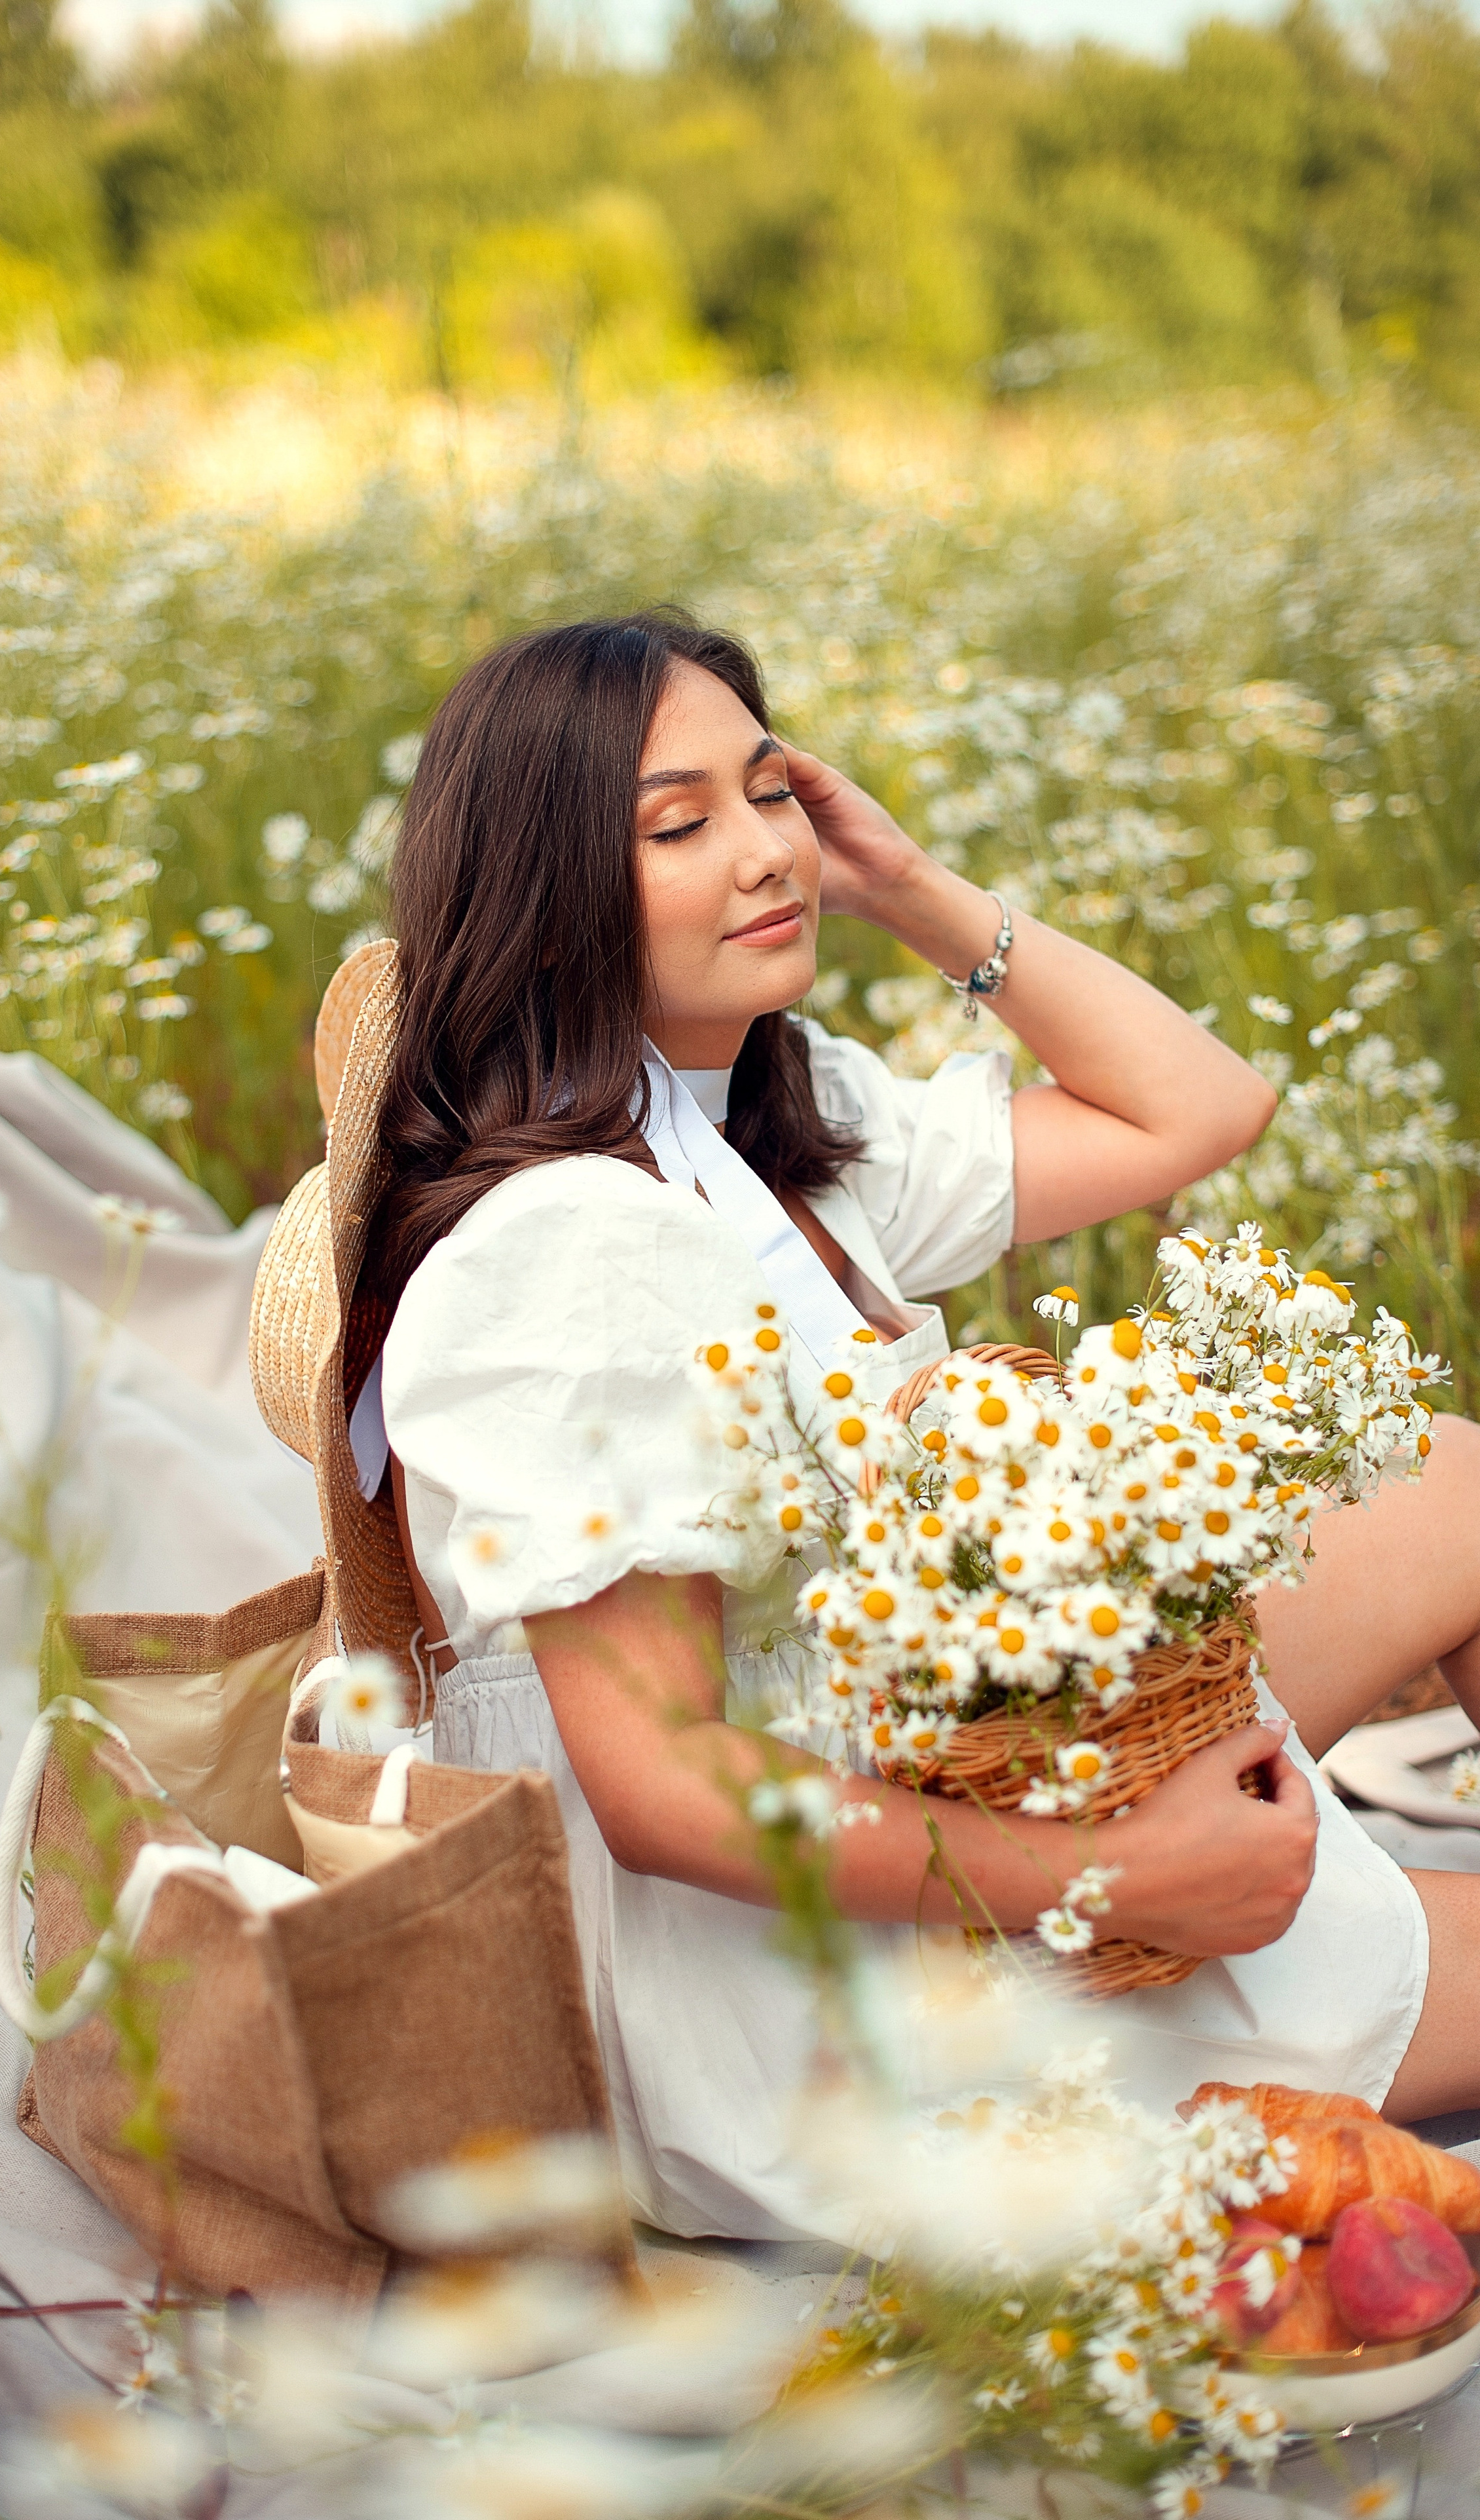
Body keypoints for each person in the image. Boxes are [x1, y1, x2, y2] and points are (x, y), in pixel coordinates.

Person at [360, 611, 1480, 2242]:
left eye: (768, 794)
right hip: (795, 1998)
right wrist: (1119, 1879)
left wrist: (908, 889)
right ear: (541, 906)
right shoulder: (568, 1250)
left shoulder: (750, 1125)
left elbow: (1197, 1106)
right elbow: (662, 1790)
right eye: (678, 826)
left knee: (1444, 1477)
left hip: (955, 1729)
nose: (762, 853)